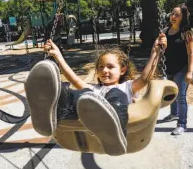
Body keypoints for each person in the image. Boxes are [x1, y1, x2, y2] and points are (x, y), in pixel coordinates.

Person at [25, 34, 167, 155]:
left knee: (114, 94)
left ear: (123, 70)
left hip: (120, 124)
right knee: (75, 93)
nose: (104, 70)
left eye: (110, 67)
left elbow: (144, 78)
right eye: (101, 67)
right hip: (84, 115)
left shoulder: (127, 87)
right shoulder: (93, 90)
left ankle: (112, 128)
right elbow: (73, 78)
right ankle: (50, 111)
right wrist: (57, 56)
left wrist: (156, 52)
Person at [162, 3, 193, 135]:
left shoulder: (187, 34)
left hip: (182, 69)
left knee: (180, 97)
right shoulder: (166, 31)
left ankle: (182, 124)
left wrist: (190, 72)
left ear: (183, 17)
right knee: (171, 93)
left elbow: (191, 54)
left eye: (177, 15)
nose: (173, 17)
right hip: (169, 68)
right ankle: (173, 114)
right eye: (172, 14)